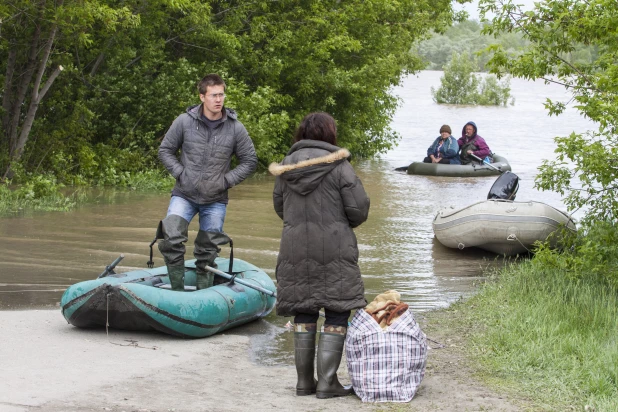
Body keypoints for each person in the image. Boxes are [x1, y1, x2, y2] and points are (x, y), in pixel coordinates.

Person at [269, 112, 370, 399]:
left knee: (304, 306)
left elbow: (280, 209)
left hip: (294, 246)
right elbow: (358, 210)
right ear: (329, 135)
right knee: (337, 309)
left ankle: (304, 382)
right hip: (336, 246)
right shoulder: (340, 166)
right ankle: (327, 383)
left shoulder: (285, 169)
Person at [157, 73, 257, 291]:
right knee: (171, 237)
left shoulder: (235, 127)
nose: (219, 100)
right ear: (202, 97)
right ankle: (176, 289)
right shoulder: (184, 122)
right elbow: (165, 150)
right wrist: (180, 173)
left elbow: (250, 160)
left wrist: (226, 180)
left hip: (216, 198)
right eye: (213, 95)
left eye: (221, 94)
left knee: (208, 248)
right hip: (184, 193)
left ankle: (204, 294)